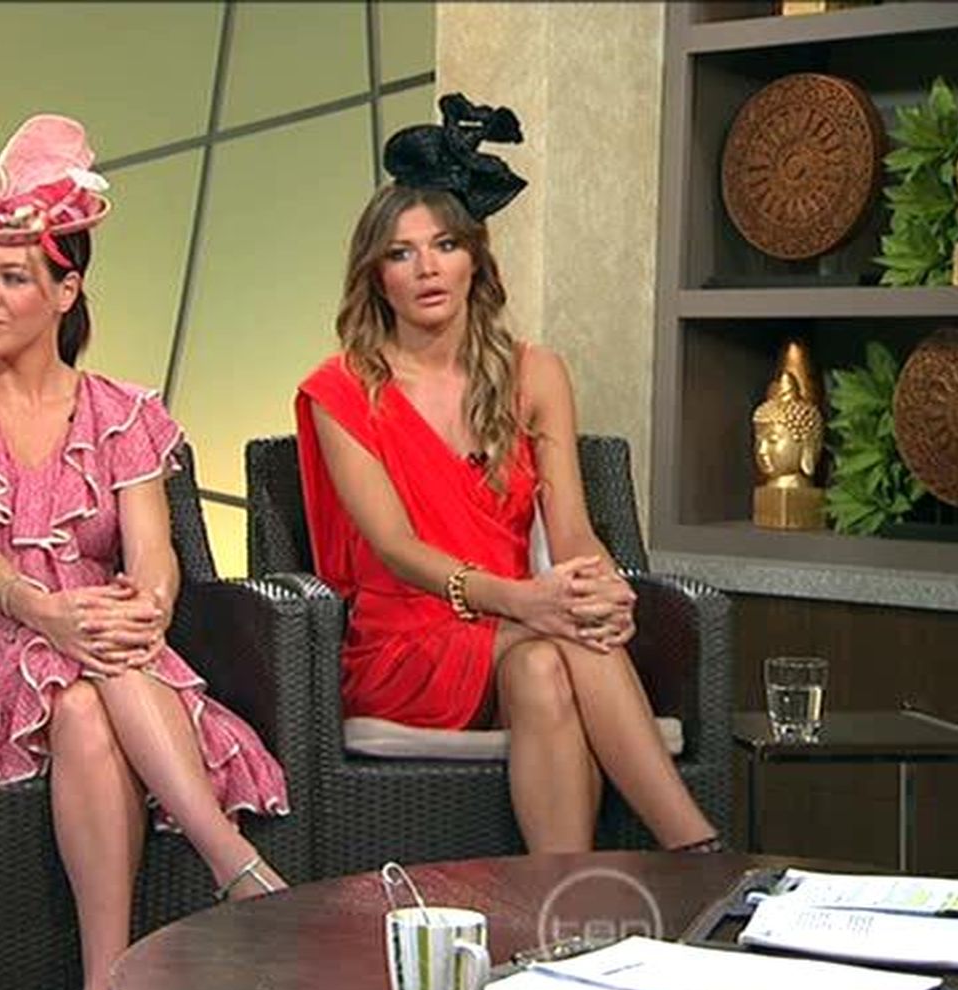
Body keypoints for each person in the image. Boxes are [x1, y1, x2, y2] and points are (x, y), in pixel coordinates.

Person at [0, 114, 291, 990]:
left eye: (12, 277)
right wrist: (50, 610)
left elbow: (155, 553)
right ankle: (238, 870)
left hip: (102, 651)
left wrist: (146, 605)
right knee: (78, 668)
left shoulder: (125, 413)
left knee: (87, 701)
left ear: (66, 291)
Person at [294, 94, 721, 856]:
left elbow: (572, 531)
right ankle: (699, 852)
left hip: (522, 629)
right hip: (406, 641)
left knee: (544, 668)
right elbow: (395, 549)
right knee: (565, 640)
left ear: (475, 260)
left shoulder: (536, 373)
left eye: (445, 245)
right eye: (401, 253)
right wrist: (530, 601)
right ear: (376, 277)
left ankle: (562, 899)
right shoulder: (343, 389)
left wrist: (603, 590)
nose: (428, 268)